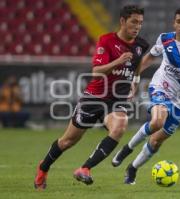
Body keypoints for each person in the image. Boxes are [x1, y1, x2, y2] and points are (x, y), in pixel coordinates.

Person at [34, 5, 149, 189]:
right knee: (68, 141)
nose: (137, 26)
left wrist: (134, 81)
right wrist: (118, 61)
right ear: (122, 21)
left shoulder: (141, 45)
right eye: (134, 22)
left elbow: (137, 65)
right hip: (95, 97)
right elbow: (96, 72)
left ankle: (85, 168)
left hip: (117, 100)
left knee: (119, 127)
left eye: (140, 23)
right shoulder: (106, 41)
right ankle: (43, 168)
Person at [111, 7, 180, 184]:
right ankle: (127, 148)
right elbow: (150, 57)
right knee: (157, 121)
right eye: (179, 22)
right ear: (174, 23)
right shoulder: (165, 39)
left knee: (156, 141)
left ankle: (132, 168)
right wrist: (133, 78)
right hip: (161, 86)